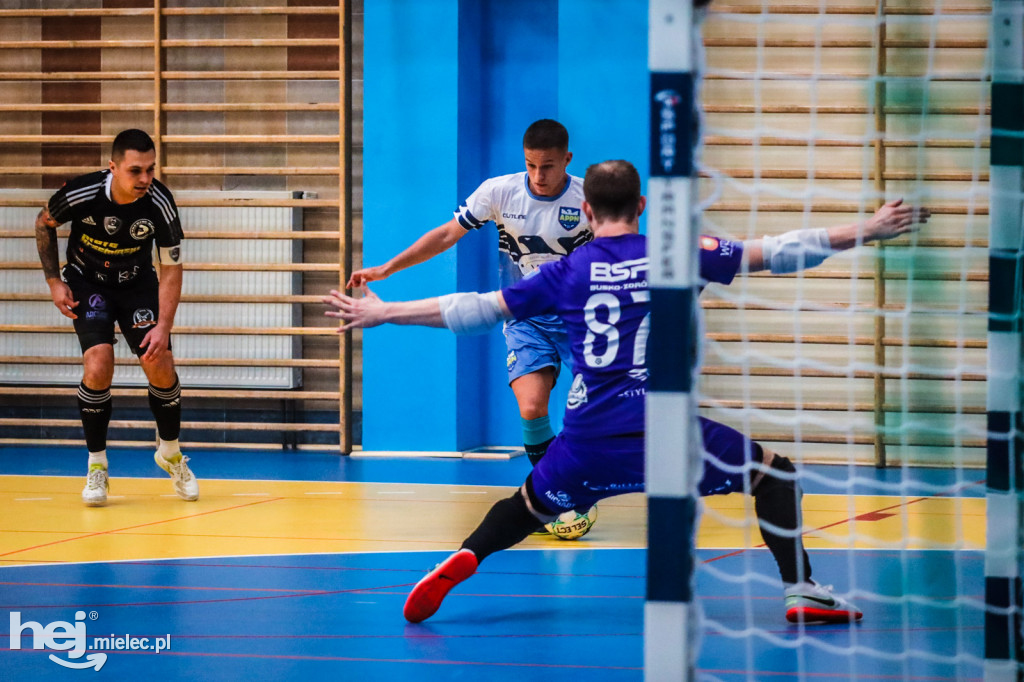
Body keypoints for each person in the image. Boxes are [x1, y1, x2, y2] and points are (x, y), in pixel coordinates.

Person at [324, 159, 929, 624]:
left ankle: (467, 556)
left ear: (585, 212)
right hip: (669, 431)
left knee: (530, 506)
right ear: (642, 204)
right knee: (776, 474)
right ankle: (802, 591)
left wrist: (387, 313)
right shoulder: (678, 254)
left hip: (589, 438)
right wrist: (871, 229)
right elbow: (780, 252)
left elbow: (476, 309)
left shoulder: (566, 271)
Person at [347, 119, 593, 468]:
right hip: (524, 315)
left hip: (579, 318)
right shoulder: (498, 192)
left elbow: (614, 256)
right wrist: (387, 268)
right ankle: (555, 494)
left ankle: (576, 478)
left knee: (596, 413)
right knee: (532, 407)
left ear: (567, 159)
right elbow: (447, 234)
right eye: (531, 165)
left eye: (548, 166)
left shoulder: (588, 199)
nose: (538, 175)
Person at [34, 128, 198, 507]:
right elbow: (44, 223)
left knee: (160, 363)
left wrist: (164, 326)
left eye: (150, 170)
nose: (145, 179)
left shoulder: (160, 203)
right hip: (88, 282)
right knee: (98, 364)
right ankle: (97, 467)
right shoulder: (82, 193)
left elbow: (172, 268)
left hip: (137, 284)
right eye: (135, 171)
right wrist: (54, 282)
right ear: (113, 168)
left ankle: (170, 453)